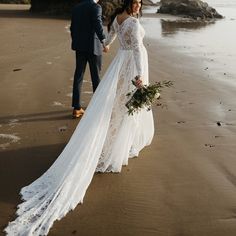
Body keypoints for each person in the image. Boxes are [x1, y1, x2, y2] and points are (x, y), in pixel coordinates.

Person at [4, 0, 154, 235]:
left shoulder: (117, 18)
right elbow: (135, 48)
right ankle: (115, 146)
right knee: (123, 105)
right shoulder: (132, 22)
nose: (138, 6)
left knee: (116, 104)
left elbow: (111, 35)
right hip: (130, 65)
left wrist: (107, 46)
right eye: (135, 2)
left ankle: (108, 135)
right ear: (128, 3)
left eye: (140, 3)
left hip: (116, 62)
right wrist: (140, 75)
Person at [70, 0, 108, 118]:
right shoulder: (96, 7)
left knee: (79, 75)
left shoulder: (77, 7)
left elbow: (72, 28)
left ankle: (76, 108)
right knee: (96, 76)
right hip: (93, 47)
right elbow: (97, 24)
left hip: (80, 47)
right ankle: (97, 107)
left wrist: (76, 41)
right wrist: (104, 41)